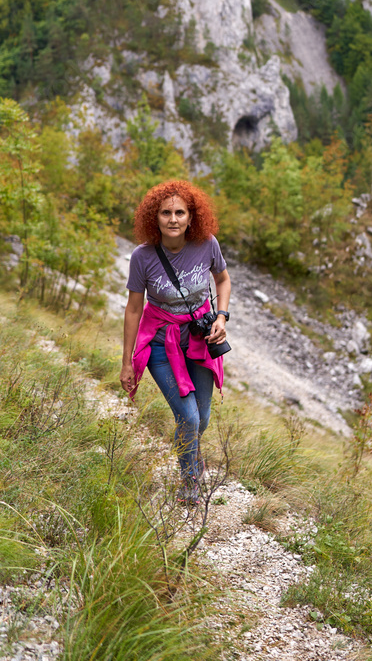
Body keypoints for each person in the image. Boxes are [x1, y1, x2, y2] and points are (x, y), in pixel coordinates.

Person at [120, 179, 231, 504]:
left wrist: (221, 317)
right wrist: (127, 361)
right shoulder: (142, 257)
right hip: (160, 343)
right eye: (165, 212)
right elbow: (133, 309)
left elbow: (223, 280)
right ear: (154, 217)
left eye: (180, 212)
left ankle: (188, 451)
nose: (173, 219)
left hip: (199, 338)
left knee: (202, 419)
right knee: (189, 418)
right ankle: (190, 485)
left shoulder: (207, 244)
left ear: (191, 216)